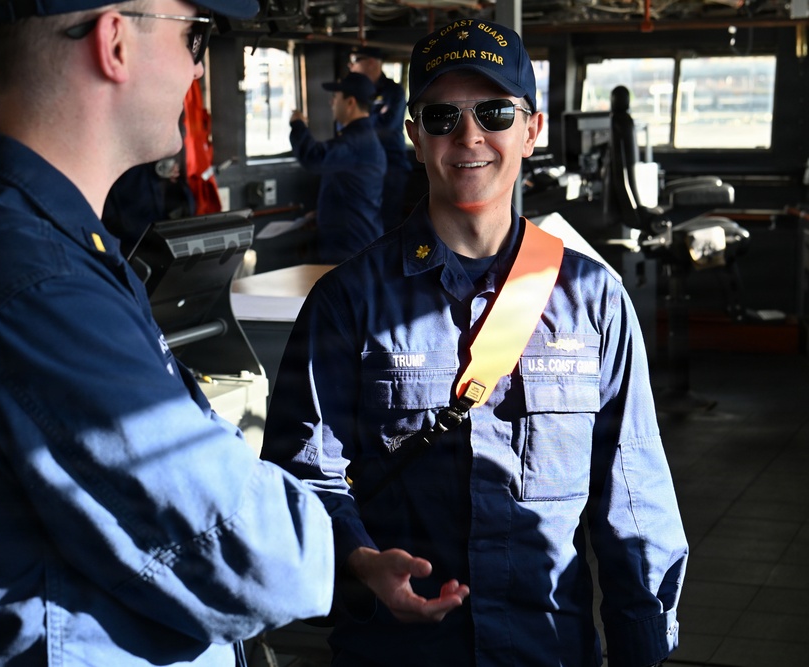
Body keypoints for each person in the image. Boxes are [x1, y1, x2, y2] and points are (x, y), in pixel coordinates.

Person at [0, 1, 334, 665]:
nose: (194, 67)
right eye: (195, 36)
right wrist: (342, 544)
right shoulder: (35, 285)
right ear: (116, 42)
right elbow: (257, 555)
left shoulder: (52, 250)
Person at [262, 18, 687, 667]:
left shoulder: (592, 302)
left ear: (531, 130)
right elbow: (301, 472)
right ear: (414, 135)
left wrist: (644, 651)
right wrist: (359, 558)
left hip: (547, 652)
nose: (468, 137)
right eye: (442, 116)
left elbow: (634, 509)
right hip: (398, 652)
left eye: (493, 112)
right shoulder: (348, 302)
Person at [290, 71, 386, 263]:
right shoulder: (360, 138)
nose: (331, 102)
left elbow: (314, 158)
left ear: (350, 103)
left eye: (335, 97)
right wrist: (323, 213)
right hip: (349, 238)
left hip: (351, 245)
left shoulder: (356, 141)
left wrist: (298, 125)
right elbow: (351, 189)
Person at [348, 45, 412, 233]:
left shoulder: (394, 92)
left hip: (392, 166)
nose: (350, 66)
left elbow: (388, 126)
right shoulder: (357, 93)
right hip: (363, 167)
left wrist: (362, 121)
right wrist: (373, 118)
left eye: (354, 61)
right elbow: (347, 127)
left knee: (388, 221)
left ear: (370, 63)